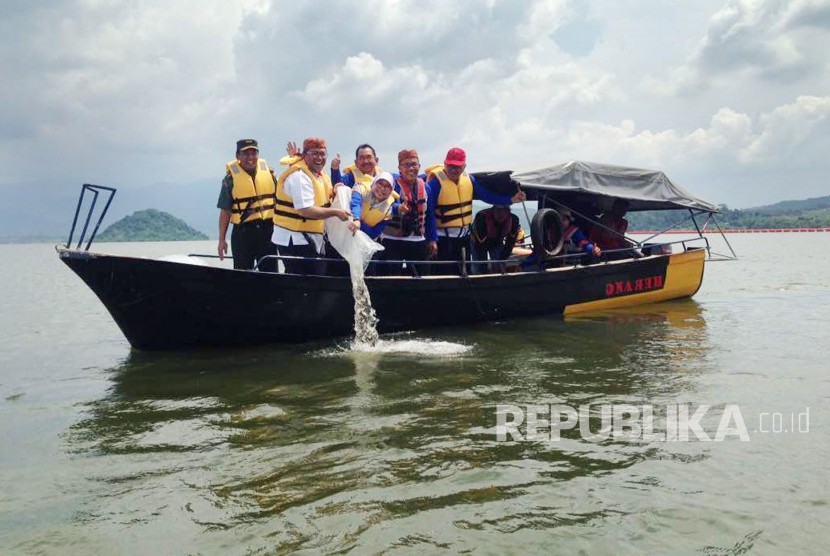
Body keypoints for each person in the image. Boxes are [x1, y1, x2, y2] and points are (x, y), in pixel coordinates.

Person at [426, 147, 526, 274]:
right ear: (445, 164)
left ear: (464, 166)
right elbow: (428, 212)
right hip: (443, 239)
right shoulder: (435, 183)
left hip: (464, 238)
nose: (453, 170)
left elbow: (486, 195)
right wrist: (432, 239)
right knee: (444, 272)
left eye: (457, 167)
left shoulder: (469, 180)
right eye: (450, 166)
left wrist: (511, 199)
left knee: (464, 272)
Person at [272, 137, 350, 275]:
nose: (319, 158)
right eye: (315, 154)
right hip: (294, 239)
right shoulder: (299, 177)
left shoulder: (320, 175)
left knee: (316, 278)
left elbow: (324, 197)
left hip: (313, 238)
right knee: (300, 280)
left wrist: (336, 189)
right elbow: (305, 210)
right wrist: (336, 212)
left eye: (322, 154)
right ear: (305, 155)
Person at [217, 139, 278, 271]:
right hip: (242, 233)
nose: (250, 157)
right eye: (245, 154)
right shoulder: (230, 179)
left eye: (254, 153)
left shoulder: (270, 175)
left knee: (270, 274)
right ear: (237, 156)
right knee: (242, 275)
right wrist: (222, 240)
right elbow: (225, 212)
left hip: (268, 231)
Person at [379, 149, 437, 276]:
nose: (411, 168)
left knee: (423, 277)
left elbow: (430, 216)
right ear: (399, 168)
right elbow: (380, 205)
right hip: (392, 240)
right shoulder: (391, 185)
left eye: (414, 164)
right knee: (391, 278)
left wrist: (432, 239)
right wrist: (397, 207)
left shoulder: (426, 188)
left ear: (419, 166)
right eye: (406, 165)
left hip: (418, 240)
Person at [470, 205, 521, 274]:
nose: (501, 214)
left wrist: (503, 258)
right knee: (480, 266)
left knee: (500, 264)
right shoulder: (482, 217)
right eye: (498, 211)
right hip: (478, 242)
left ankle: (498, 278)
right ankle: (478, 279)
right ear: (493, 211)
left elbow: (510, 243)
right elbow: (479, 244)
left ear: (508, 212)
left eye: (504, 211)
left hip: (497, 242)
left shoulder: (513, 220)